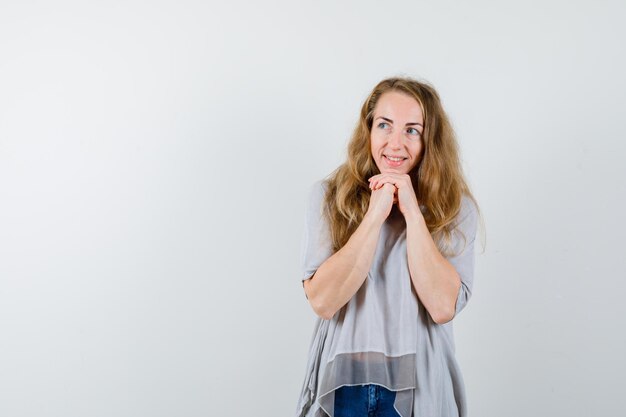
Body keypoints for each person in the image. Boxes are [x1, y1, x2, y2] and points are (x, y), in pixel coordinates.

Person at [294, 76, 484, 417]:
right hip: (343, 387)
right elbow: (323, 300)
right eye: (385, 125)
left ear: (430, 141)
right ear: (368, 130)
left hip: (417, 387)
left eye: (412, 130)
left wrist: (411, 211)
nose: (395, 143)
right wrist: (375, 214)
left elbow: (443, 306)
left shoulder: (456, 208)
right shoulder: (327, 197)